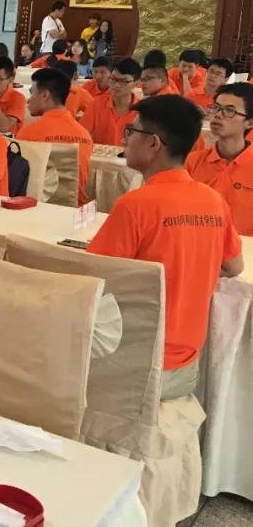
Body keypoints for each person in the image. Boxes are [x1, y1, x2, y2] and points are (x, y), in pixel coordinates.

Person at [88, 96, 244, 398]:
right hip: (186, 365)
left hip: (136, 363)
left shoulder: (135, 205)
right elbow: (233, 265)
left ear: (153, 143)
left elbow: (94, 279)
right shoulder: (212, 200)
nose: (125, 140)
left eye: (131, 132)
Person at [186, 82, 253, 234]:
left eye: (229, 110)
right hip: (199, 242)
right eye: (216, 108)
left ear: (250, 122)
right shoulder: (192, 162)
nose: (218, 115)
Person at [18, 68, 93, 206]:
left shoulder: (28, 133)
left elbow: (19, 181)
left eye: (32, 92)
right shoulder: (85, 134)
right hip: (75, 210)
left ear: (45, 95)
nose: (28, 100)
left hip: (36, 208)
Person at [80, 57, 141, 145]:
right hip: (100, 154)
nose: (116, 85)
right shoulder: (96, 104)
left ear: (137, 83)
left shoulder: (142, 112)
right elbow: (81, 136)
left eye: (124, 81)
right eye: (113, 79)